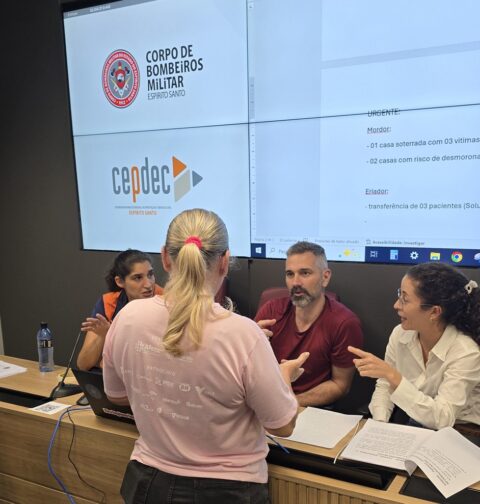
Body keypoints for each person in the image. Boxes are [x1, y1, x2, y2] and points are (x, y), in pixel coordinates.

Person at [102, 209, 308, 504]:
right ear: (225, 261)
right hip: (228, 491)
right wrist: (284, 376)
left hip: (147, 484)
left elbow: (116, 395)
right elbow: (282, 425)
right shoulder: (243, 335)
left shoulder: (128, 317)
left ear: (165, 258)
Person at [349, 262, 480, 430]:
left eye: (405, 300)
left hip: (462, 431)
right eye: (399, 295)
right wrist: (379, 425)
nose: (396, 305)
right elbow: (385, 386)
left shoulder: (466, 352)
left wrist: (393, 375)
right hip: (415, 419)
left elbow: (443, 418)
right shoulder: (400, 333)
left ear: (434, 312)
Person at [255, 241, 363, 407]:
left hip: (308, 407)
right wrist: (250, 346)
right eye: (290, 274)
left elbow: (340, 385)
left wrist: (290, 404)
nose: (296, 282)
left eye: (305, 273)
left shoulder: (345, 323)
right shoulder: (271, 311)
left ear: (325, 277)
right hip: (266, 400)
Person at [76, 249, 163, 371]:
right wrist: (104, 336)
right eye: (138, 278)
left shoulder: (166, 300)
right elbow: (83, 364)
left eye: (150, 275)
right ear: (120, 281)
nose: (148, 284)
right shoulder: (108, 303)